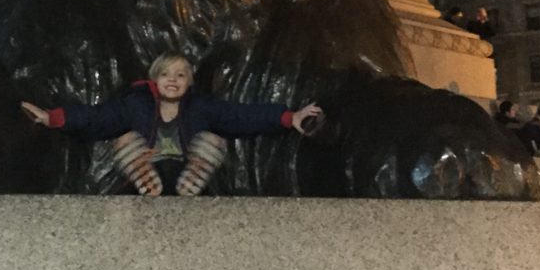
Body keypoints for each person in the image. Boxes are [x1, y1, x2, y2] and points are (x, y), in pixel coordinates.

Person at [22, 51, 322, 196]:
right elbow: (98, 118)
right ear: (155, 79)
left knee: (213, 139)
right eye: (166, 74)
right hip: (146, 167)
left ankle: (188, 187)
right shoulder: (136, 104)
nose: (173, 81)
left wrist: (288, 117)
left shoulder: (200, 107)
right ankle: (148, 186)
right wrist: (54, 117)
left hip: (187, 170)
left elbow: (240, 116)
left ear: (188, 82)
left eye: (180, 75)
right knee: (124, 139)